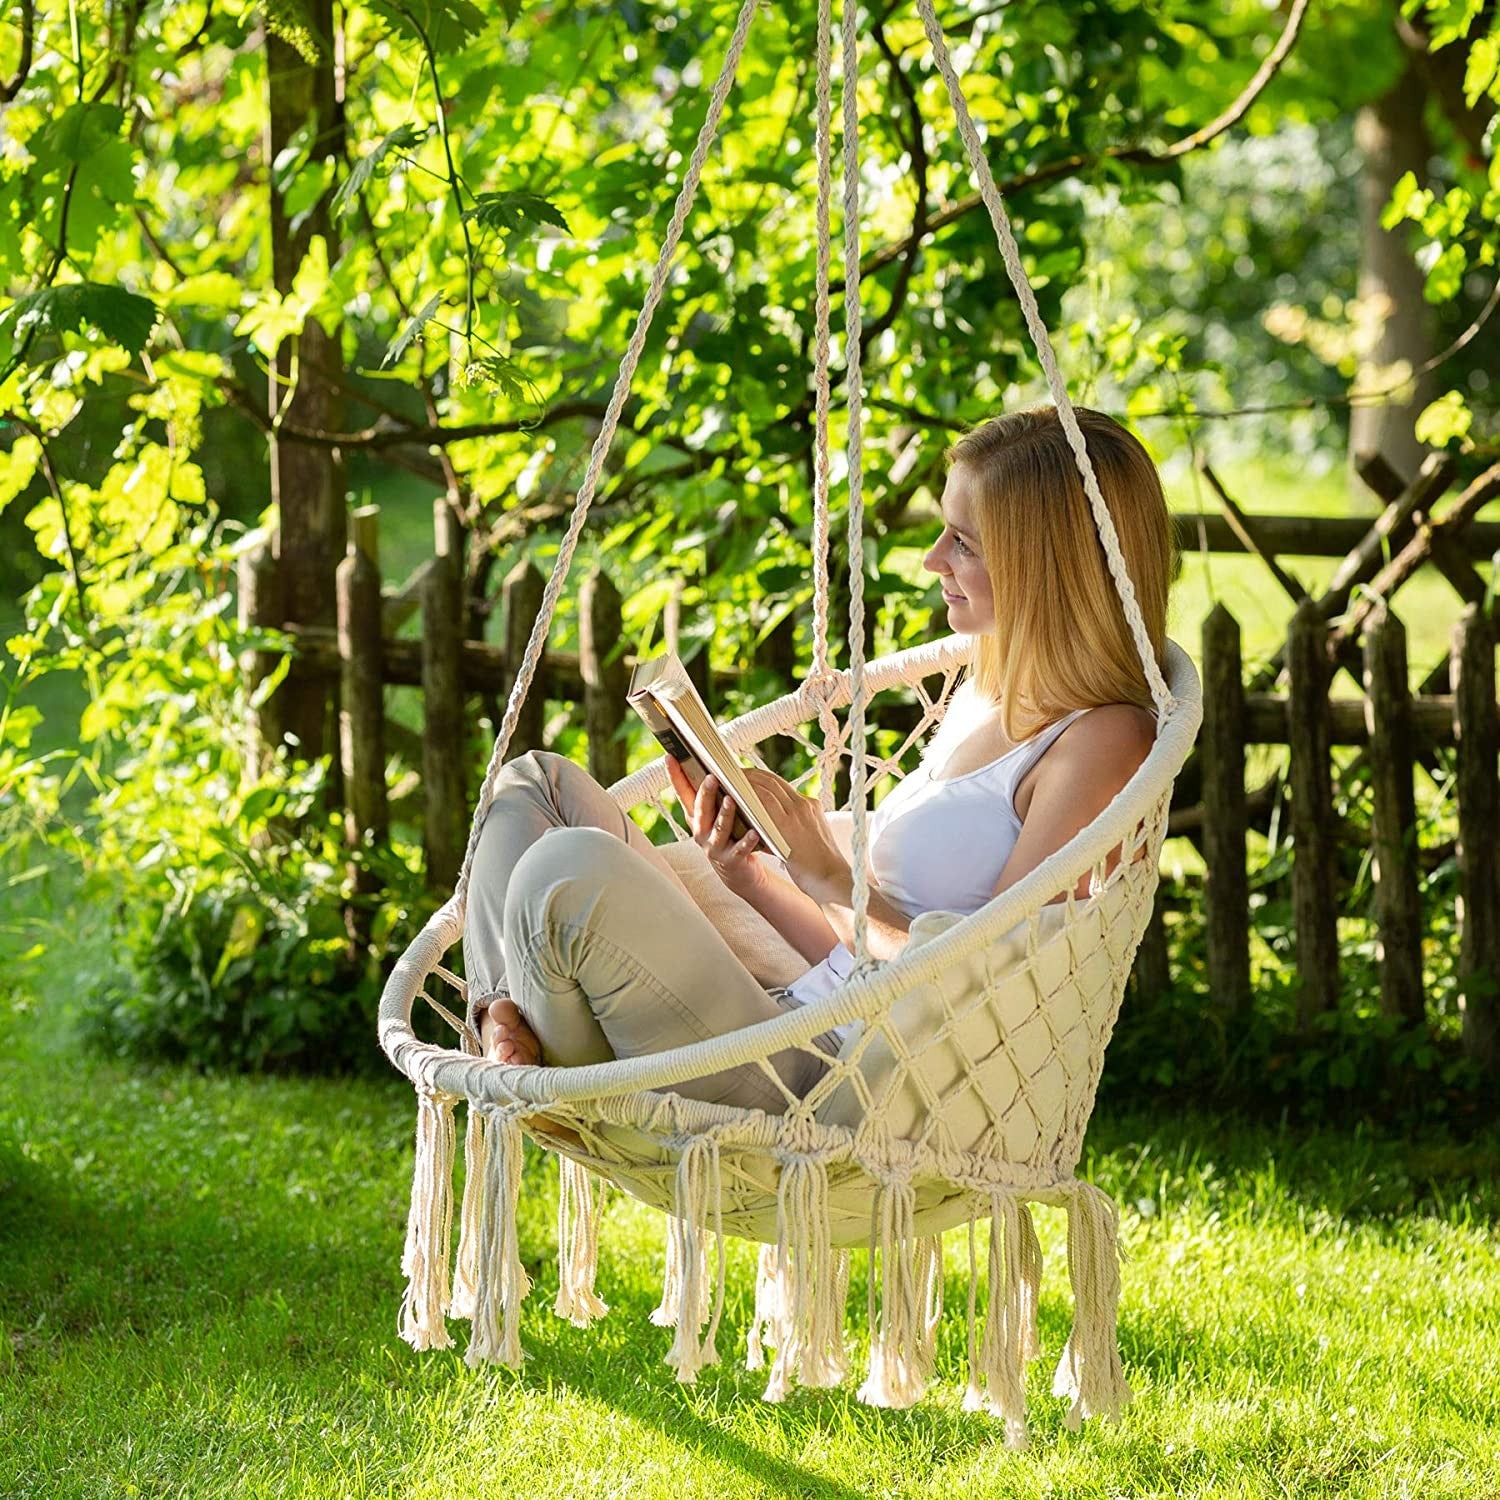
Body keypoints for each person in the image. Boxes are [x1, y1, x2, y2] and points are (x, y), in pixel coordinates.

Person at [464, 404, 1174, 1117]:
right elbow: (849, 958)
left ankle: (538, 1064)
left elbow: (983, 988)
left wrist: (827, 875)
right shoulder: (988, 689)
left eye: (963, 543)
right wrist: (750, 877)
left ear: (1045, 567)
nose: (933, 560)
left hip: (842, 1083)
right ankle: (503, 1017)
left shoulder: (1101, 743)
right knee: (535, 785)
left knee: (567, 870)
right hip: (797, 1006)